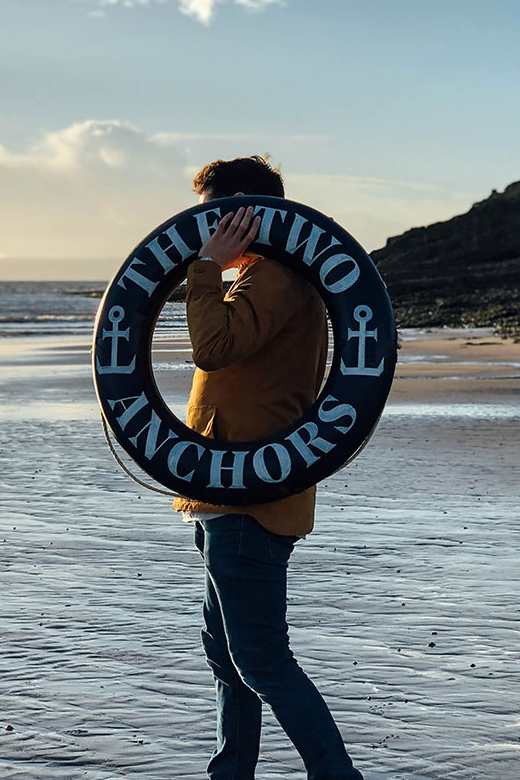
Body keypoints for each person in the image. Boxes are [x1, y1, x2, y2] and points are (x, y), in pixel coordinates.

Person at [173, 156, 363, 780]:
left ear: (243, 215)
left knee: (258, 657)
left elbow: (213, 348)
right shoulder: (256, 277)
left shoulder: (276, 278)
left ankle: (337, 776)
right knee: (227, 657)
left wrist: (203, 269)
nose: (201, 234)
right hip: (221, 493)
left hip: (249, 494)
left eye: (210, 219)